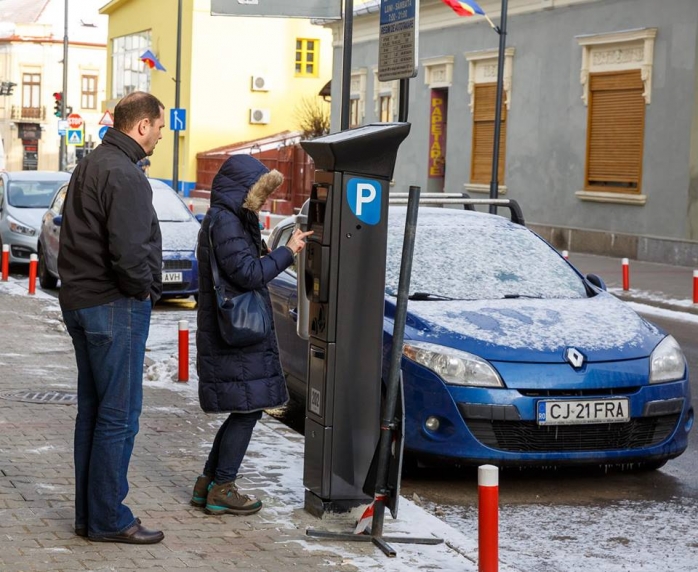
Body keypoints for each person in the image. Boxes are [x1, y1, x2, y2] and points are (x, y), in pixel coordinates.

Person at [57, 91, 166, 544]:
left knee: (95, 412)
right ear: (141, 126)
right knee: (119, 416)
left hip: (83, 302)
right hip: (113, 305)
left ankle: (91, 516)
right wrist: (144, 287)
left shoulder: (93, 163)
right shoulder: (125, 174)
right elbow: (129, 252)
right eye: (160, 126)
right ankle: (109, 519)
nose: (162, 134)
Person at [193, 154, 312, 515]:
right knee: (247, 411)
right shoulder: (226, 221)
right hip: (236, 333)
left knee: (244, 408)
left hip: (233, 332)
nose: (260, 200)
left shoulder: (230, 218)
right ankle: (222, 487)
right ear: (242, 189)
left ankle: (209, 482)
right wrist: (286, 252)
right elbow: (246, 274)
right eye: (258, 192)